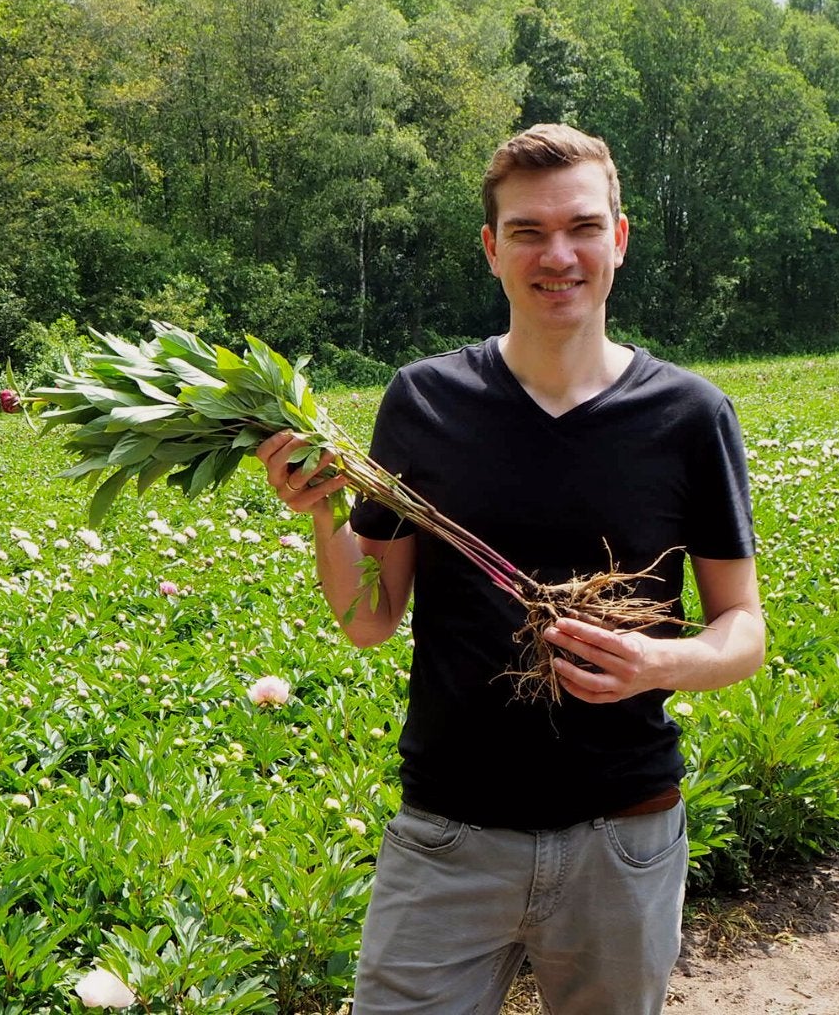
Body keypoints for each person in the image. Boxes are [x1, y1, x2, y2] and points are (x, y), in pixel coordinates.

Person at [256, 123, 765, 1015]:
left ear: (621, 237)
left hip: (625, 834)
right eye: (527, 232)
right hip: (449, 832)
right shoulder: (425, 401)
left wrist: (661, 664)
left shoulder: (690, 415)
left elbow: (742, 629)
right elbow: (368, 619)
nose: (556, 255)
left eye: (581, 227)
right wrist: (326, 513)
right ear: (492, 249)